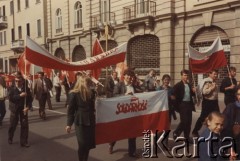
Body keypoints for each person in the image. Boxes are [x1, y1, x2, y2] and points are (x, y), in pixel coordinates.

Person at [65, 75, 96, 161]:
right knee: (82, 144)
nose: (90, 85)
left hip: (90, 120)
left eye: (90, 83)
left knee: (88, 145)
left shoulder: (91, 93)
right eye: (88, 83)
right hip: (80, 121)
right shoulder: (73, 94)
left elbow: (93, 107)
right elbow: (70, 111)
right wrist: (68, 125)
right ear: (82, 83)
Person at [109, 69, 138, 157]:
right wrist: (124, 95)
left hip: (132, 113)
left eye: (131, 76)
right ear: (124, 76)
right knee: (118, 132)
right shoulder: (119, 85)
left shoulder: (133, 86)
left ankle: (132, 152)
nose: (129, 77)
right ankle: (111, 144)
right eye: (127, 75)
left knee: (133, 133)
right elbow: (114, 95)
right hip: (122, 113)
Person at [192, 70, 219, 137]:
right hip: (207, 102)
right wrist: (211, 88)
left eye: (216, 74)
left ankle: (215, 131)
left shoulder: (215, 81)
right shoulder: (207, 81)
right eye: (214, 74)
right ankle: (195, 131)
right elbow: (204, 92)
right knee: (203, 117)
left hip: (214, 102)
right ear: (210, 74)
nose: (215, 75)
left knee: (217, 116)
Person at [8, 74, 31, 147]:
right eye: (16, 81)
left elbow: (30, 99)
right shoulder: (12, 88)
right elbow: (11, 98)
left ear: (22, 81)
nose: (17, 82)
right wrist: (20, 96)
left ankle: (23, 142)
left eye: (19, 81)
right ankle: (10, 137)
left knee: (24, 125)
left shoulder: (26, 89)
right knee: (13, 125)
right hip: (14, 109)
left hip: (23, 109)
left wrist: (28, 107)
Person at [172, 69, 195, 143]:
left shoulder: (189, 85)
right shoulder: (178, 85)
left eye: (187, 75)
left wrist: (194, 91)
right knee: (184, 121)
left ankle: (186, 137)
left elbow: (191, 94)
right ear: (181, 76)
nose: (186, 77)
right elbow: (174, 96)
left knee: (189, 122)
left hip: (189, 104)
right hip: (182, 105)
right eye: (185, 75)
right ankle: (176, 132)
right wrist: (177, 107)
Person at [156, 74, 176, 148]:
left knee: (167, 126)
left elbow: (174, 99)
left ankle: (166, 142)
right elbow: (156, 99)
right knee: (161, 126)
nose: (166, 81)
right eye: (165, 80)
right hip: (161, 110)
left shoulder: (171, 89)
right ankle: (157, 138)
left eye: (168, 80)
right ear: (163, 81)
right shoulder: (159, 89)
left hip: (168, 110)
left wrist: (173, 97)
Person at [222, 87, 240, 160]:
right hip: (234, 143)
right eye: (239, 94)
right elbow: (225, 129)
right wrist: (230, 148)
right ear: (236, 96)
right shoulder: (230, 107)